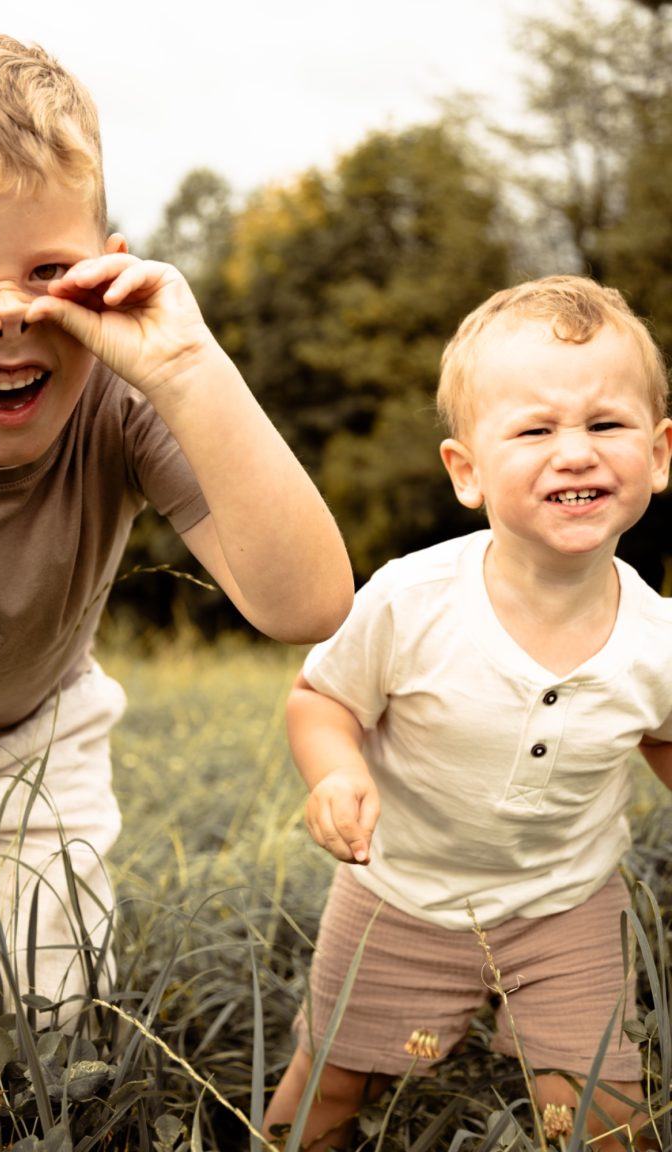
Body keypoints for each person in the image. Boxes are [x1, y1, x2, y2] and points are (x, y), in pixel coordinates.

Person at [0, 27, 354, 1121]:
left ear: (109, 258)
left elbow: (308, 604)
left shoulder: (120, 400)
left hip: (40, 744)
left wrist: (192, 369)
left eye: (48, 273)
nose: (1, 314)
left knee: (63, 1039)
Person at [263, 275, 672, 1151]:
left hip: (567, 906)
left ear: (661, 453)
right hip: (399, 896)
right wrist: (336, 771)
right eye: (535, 430)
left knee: (604, 1113)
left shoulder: (658, 640)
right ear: (468, 471)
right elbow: (321, 697)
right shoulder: (413, 600)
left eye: (607, 424)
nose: (576, 452)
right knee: (329, 1085)